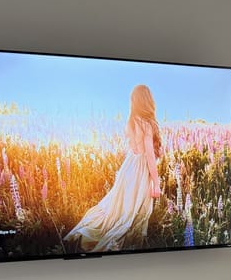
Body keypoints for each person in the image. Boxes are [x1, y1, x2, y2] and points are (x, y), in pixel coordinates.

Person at [64, 85, 162, 252]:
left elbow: (133, 148)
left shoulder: (131, 122)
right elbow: (149, 155)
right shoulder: (147, 124)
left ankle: (85, 234)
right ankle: (122, 244)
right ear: (148, 101)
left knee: (116, 208)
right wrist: (156, 182)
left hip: (128, 167)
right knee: (132, 212)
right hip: (140, 170)